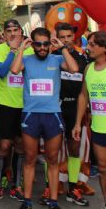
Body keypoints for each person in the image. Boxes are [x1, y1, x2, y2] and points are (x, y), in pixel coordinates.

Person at [8, 27, 79, 209]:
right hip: (31, 115)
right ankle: (27, 200)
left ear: (50, 44)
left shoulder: (57, 59)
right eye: (38, 44)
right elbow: (15, 70)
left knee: (52, 159)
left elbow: (74, 68)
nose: (42, 47)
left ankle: (53, 201)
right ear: (32, 44)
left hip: (52, 115)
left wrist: (62, 47)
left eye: (45, 43)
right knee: (30, 159)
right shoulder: (25, 59)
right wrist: (21, 49)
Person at [0, 19, 33, 202]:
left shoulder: (30, 50)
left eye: (16, 30)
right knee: (4, 145)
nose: (13, 33)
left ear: (21, 32)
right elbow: (0, 72)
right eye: (9, 31)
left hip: (26, 105)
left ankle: (17, 185)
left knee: (20, 145)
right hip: (5, 104)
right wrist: (14, 51)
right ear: (4, 34)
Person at [54, 22, 90, 205]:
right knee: (51, 151)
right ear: (57, 38)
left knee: (74, 148)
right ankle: (49, 186)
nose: (66, 40)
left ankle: (73, 187)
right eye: (62, 37)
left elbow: (82, 78)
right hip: (55, 107)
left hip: (75, 108)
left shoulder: (82, 56)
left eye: (69, 36)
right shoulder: (51, 55)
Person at [73, 31, 106, 209]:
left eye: (93, 44)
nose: (88, 47)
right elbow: (83, 96)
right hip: (99, 128)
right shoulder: (89, 68)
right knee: (102, 168)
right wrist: (78, 123)